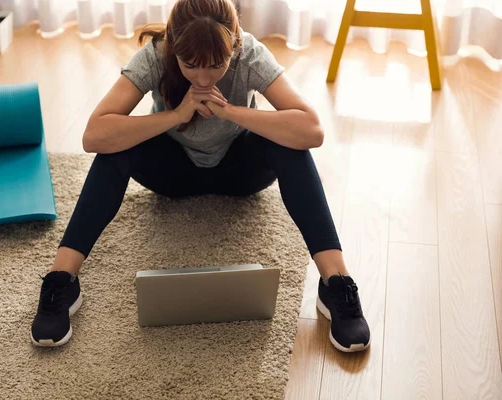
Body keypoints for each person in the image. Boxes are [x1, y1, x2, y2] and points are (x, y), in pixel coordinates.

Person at [30, 0, 370, 353]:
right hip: (173, 173)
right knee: (114, 147)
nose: (204, 79)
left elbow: (312, 130)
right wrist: (177, 114)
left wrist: (231, 112)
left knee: (292, 144)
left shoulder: (249, 53)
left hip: (240, 173)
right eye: (190, 65)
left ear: (233, 47)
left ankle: (336, 283)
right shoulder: (155, 55)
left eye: (216, 66)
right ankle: (62, 279)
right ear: (174, 47)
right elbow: (94, 135)